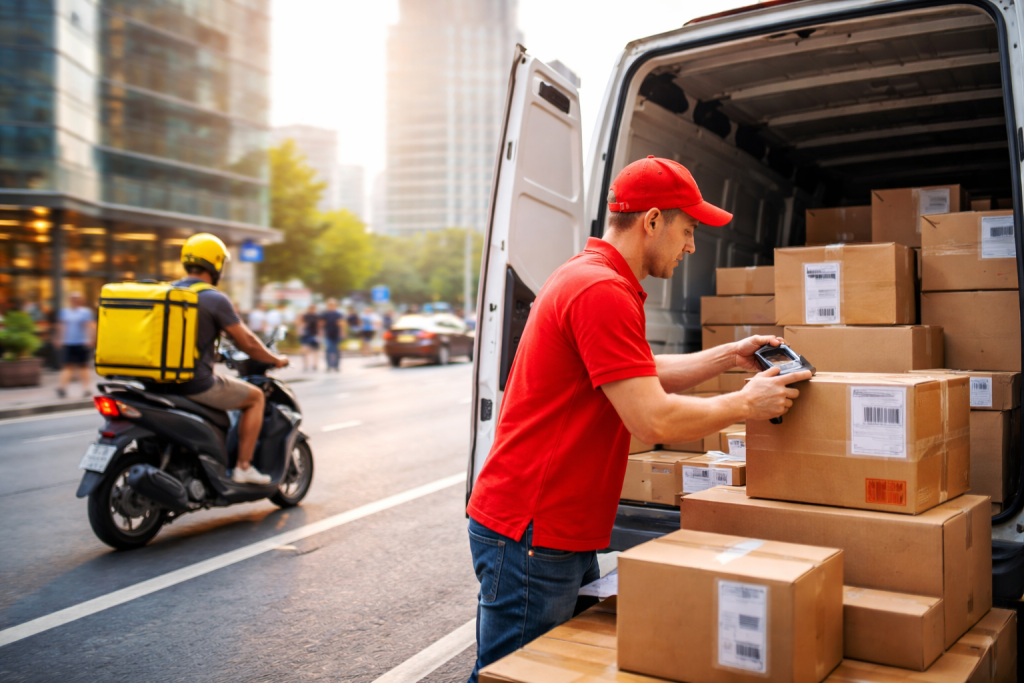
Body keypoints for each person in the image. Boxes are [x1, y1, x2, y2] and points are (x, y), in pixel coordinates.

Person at [464, 157, 810, 682]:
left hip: (552, 527)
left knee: (549, 672)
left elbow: (636, 372)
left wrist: (727, 357)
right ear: (652, 221)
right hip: (533, 529)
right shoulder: (600, 291)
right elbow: (652, 419)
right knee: (514, 677)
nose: (692, 245)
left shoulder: (595, 278)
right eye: (689, 230)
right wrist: (747, 403)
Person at [151, 234, 289, 485]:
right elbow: (246, 342)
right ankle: (244, 467)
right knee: (256, 397)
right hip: (195, 384)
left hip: (157, 382)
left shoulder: (168, 292)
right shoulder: (214, 298)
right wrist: (275, 359)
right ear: (215, 265)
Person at [56, 292, 95, 399]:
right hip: (68, 343)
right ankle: (62, 388)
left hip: (82, 343)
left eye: (77, 298)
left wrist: (90, 339)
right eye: (73, 298)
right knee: (67, 366)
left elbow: (89, 326)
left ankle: (86, 389)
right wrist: (59, 339)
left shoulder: (85, 312)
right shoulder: (64, 312)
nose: (75, 300)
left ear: (81, 300)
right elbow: (62, 326)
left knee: (83, 367)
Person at [320, 299, 344, 372]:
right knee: (328, 350)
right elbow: (321, 324)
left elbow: (341, 324)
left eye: (333, 305)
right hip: (328, 334)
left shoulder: (338, 314)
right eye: (330, 305)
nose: (331, 306)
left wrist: (342, 333)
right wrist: (321, 332)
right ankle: (329, 366)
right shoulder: (324, 314)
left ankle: (336, 366)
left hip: (336, 334)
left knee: (336, 350)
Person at [299, 304, 320, 372]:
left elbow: (318, 325)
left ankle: (315, 364)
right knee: (305, 350)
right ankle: (306, 365)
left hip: (314, 334)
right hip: (306, 335)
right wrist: (301, 330)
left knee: (315, 351)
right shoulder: (305, 315)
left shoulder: (316, 316)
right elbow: (300, 323)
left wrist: (319, 334)